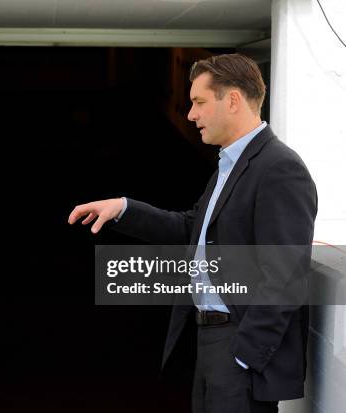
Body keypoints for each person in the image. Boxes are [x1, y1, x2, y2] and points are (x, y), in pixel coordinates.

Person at [68, 54, 317, 413]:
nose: (190, 115)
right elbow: (194, 229)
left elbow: (286, 276)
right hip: (211, 343)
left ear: (232, 100)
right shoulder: (230, 165)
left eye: (199, 102)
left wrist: (245, 357)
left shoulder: (279, 168)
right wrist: (125, 208)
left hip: (238, 350)